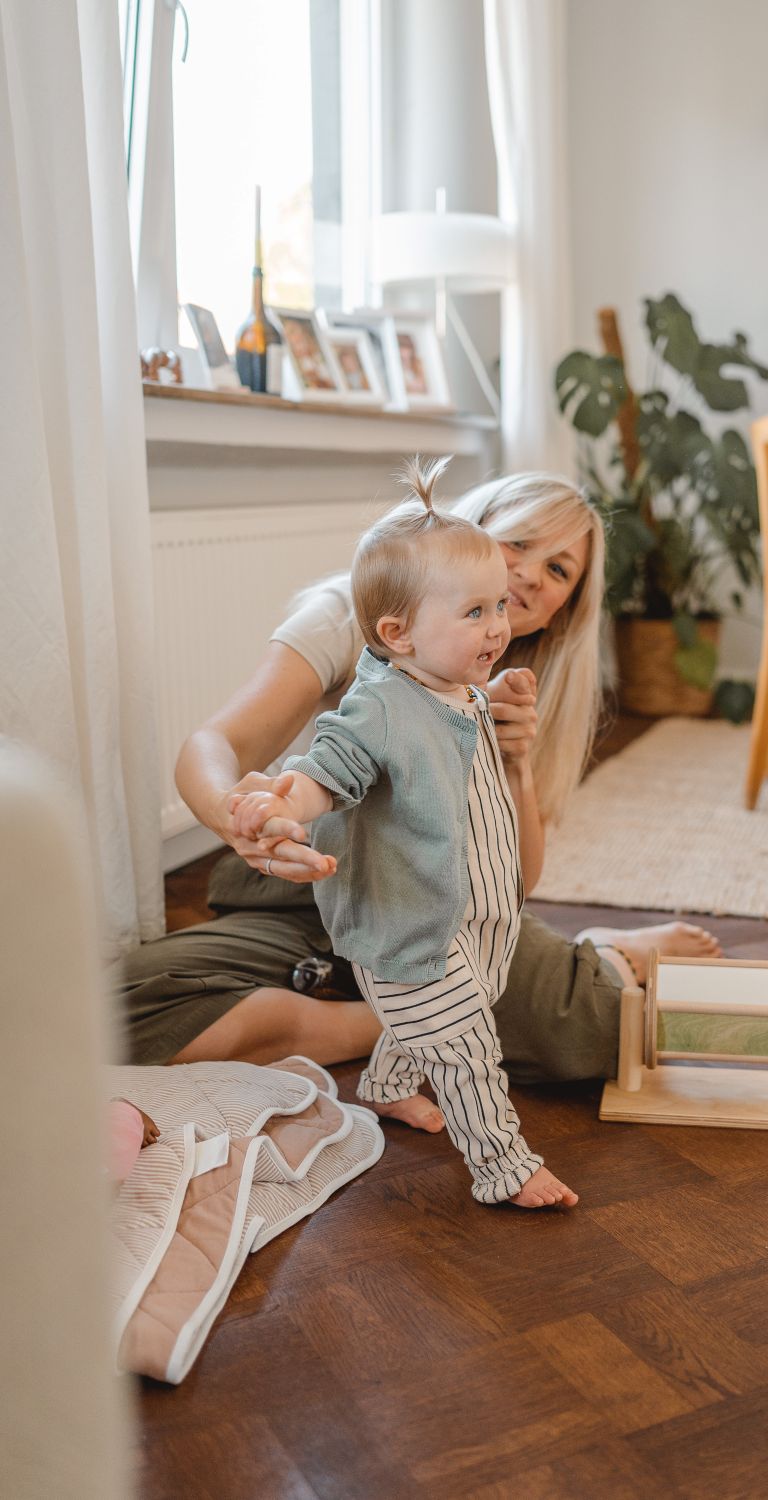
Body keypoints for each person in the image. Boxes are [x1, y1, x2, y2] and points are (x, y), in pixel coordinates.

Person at [118, 465, 719, 1078]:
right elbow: (214, 741)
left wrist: (516, 765)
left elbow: (513, 885)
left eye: (559, 569)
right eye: (519, 543)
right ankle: (412, 1022)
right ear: (469, 534)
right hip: (309, 895)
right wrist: (234, 815)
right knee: (121, 1012)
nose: (531, 575)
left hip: (437, 916)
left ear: (562, 611)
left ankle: (596, 959)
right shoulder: (347, 616)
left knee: (596, 1027)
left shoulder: (513, 678)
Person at [230, 459, 576, 1208]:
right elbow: (331, 764)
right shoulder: (381, 704)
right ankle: (502, 1165)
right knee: (466, 1046)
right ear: (398, 633)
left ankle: (384, 1086)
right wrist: (284, 803)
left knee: (459, 1008)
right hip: (409, 921)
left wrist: (499, 694)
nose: (499, 626)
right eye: (476, 613)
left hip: (471, 914)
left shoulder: (453, 688)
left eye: (498, 608)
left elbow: (465, 754)